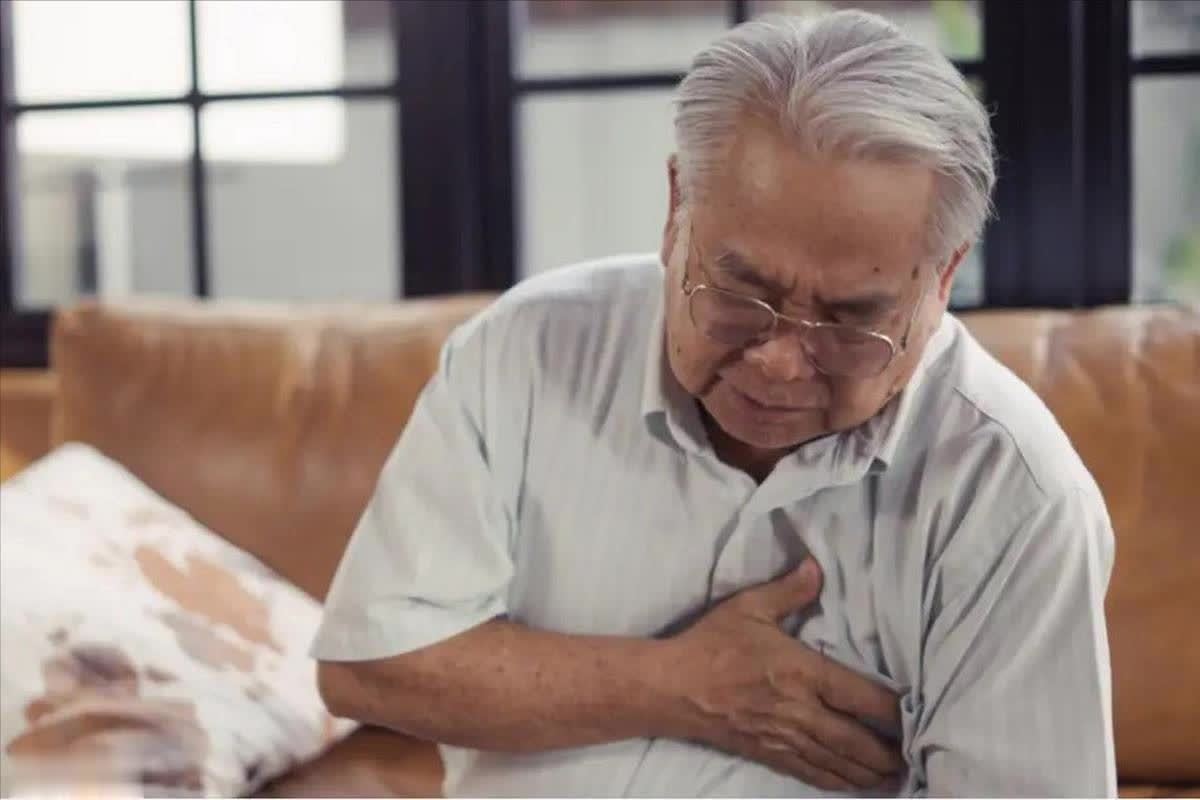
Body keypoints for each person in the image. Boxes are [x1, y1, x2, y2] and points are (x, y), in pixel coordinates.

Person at [312, 10, 1116, 797]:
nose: (778, 362)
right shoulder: (525, 348)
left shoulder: (1014, 495)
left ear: (943, 278)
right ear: (676, 209)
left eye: (848, 320)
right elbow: (366, 666)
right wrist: (683, 684)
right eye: (740, 292)